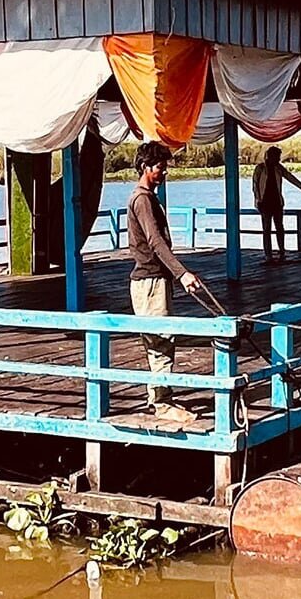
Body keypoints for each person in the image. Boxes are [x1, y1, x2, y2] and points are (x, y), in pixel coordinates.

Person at [126, 144, 201, 426]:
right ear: (146, 167)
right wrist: (182, 273)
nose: (164, 171)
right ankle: (161, 403)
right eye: (160, 167)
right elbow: (155, 242)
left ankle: (161, 395)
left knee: (161, 339)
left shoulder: (148, 198)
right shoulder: (142, 200)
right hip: (149, 281)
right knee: (159, 341)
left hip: (156, 279)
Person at [251, 144, 301, 256]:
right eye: (277, 156)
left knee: (280, 227)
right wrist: (258, 200)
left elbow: (291, 178)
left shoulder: (279, 168)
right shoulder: (260, 168)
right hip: (264, 203)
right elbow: (255, 186)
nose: (279, 159)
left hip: (277, 202)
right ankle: (268, 255)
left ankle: (282, 252)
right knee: (266, 229)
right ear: (270, 156)